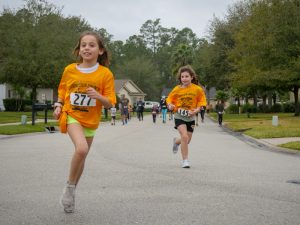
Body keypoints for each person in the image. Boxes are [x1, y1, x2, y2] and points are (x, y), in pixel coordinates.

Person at [53, 31, 116, 213]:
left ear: (101, 50)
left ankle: (71, 190)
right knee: (81, 149)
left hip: (91, 120)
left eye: (92, 45)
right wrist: (58, 104)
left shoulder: (105, 74)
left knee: (82, 156)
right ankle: (69, 189)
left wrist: (98, 96)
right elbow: (63, 90)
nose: (87, 48)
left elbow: (111, 102)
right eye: (83, 45)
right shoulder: (70, 70)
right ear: (79, 50)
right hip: (72, 115)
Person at [166, 65, 207, 168]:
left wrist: (197, 110)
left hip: (191, 117)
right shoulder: (177, 89)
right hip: (179, 115)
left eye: (186, 76)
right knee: (184, 136)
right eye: (182, 76)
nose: (184, 78)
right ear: (180, 78)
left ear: (192, 77)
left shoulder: (197, 89)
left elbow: (202, 102)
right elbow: (169, 99)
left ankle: (176, 141)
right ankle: (185, 161)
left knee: (187, 140)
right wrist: (170, 105)